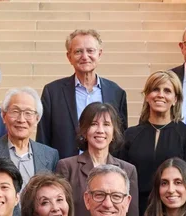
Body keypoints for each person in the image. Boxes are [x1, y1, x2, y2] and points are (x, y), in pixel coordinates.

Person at [37, 29, 128, 160]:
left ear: (99, 54)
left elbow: (120, 141)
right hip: (64, 173)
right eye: (78, 51)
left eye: (90, 51)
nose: (85, 57)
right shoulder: (52, 92)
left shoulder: (116, 93)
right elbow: (43, 139)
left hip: (106, 173)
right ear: (69, 57)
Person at [0, 87, 60, 214]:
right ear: (4, 116)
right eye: (15, 111)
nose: (21, 119)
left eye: (28, 113)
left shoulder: (50, 155)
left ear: (37, 119)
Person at [120, 70, 186, 215]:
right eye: (155, 89)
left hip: (174, 212)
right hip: (136, 212)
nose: (160, 95)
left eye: (167, 91)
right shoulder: (129, 135)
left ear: (175, 99)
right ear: (147, 96)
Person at [56, 102, 139, 216]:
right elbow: (60, 213)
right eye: (94, 124)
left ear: (114, 132)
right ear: (84, 130)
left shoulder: (128, 170)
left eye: (106, 124)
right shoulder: (67, 167)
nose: (100, 130)